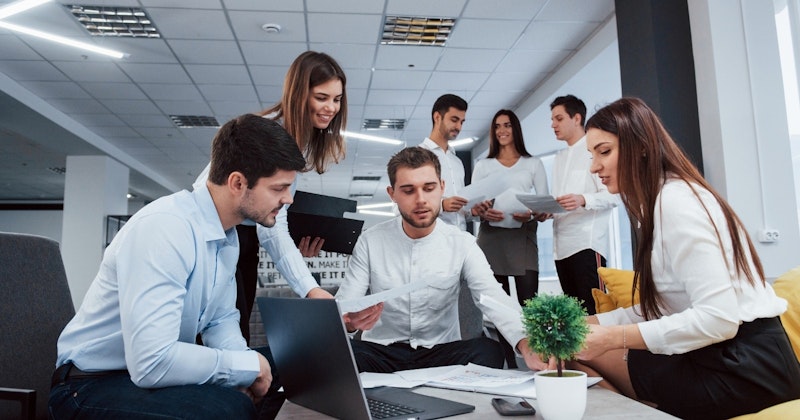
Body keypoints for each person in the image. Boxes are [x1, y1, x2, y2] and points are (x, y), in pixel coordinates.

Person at [50, 114, 307, 419]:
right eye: (279, 188)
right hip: (90, 384)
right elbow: (152, 362)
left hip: (145, 376)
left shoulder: (227, 235)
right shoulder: (165, 228)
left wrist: (245, 372)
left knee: (297, 366)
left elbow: (220, 321)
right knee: (229, 409)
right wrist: (245, 368)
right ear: (238, 182)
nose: (288, 199)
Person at [572, 97, 800, 419]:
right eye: (592, 155)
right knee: (572, 344)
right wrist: (586, 325)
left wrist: (611, 337)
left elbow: (718, 319)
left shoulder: (675, 203)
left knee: (577, 354)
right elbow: (666, 307)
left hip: (745, 369)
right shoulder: (660, 202)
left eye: (604, 151)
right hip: (721, 355)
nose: (594, 167)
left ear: (641, 148)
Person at [336, 146, 555, 374]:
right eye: (408, 191)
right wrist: (350, 323)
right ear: (392, 194)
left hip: (440, 353)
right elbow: (344, 304)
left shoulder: (462, 243)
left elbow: (492, 296)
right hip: (381, 352)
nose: (421, 200)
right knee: (343, 354)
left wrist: (525, 341)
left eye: (428, 188)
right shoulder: (370, 241)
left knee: (489, 351)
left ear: (442, 187)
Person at [194, 51, 347, 343]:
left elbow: (273, 225)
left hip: (240, 244)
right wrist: (309, 288)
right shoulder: (264, 136)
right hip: (218, 241)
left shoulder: (296, 141)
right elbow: (210, 191)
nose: (330, 107)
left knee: (234, 339)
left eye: (337, 99)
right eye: (321, 97)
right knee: (220, 339)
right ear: (300, 94)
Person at [472, 110, 549, 367]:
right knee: (500, 309)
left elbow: (544, 204)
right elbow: (474, 205)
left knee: (530, 305)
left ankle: (538, 360)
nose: (502, 130)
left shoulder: (533, 164)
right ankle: (510, 364)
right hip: (492, 238)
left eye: (507, 125)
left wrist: (532, 214)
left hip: (523, 236)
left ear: (515, 128)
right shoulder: (483, 165)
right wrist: (484, 212)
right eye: (497, 126)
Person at [549, 94, 617, 315]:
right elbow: (560, 199)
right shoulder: (559, 158)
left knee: (594, 313)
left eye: (559, 118)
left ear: (576, 118)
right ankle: (579, 353)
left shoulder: (593, 151)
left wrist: (583, 199)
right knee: (574, 318)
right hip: (561, 249)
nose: (553, 125)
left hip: (586, 246)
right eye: (552, 120)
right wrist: (547, 211)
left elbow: (613, 196)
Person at [418, 94, 482, 231]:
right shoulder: (417, 157)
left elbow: (460, 212)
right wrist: (442, 205)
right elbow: (401, 206)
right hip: (432, 241)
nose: (458, 127)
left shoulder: (457, 162)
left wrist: (472, 212)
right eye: (454, 120)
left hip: (460, 240)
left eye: (462, 122)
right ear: (437, 117)